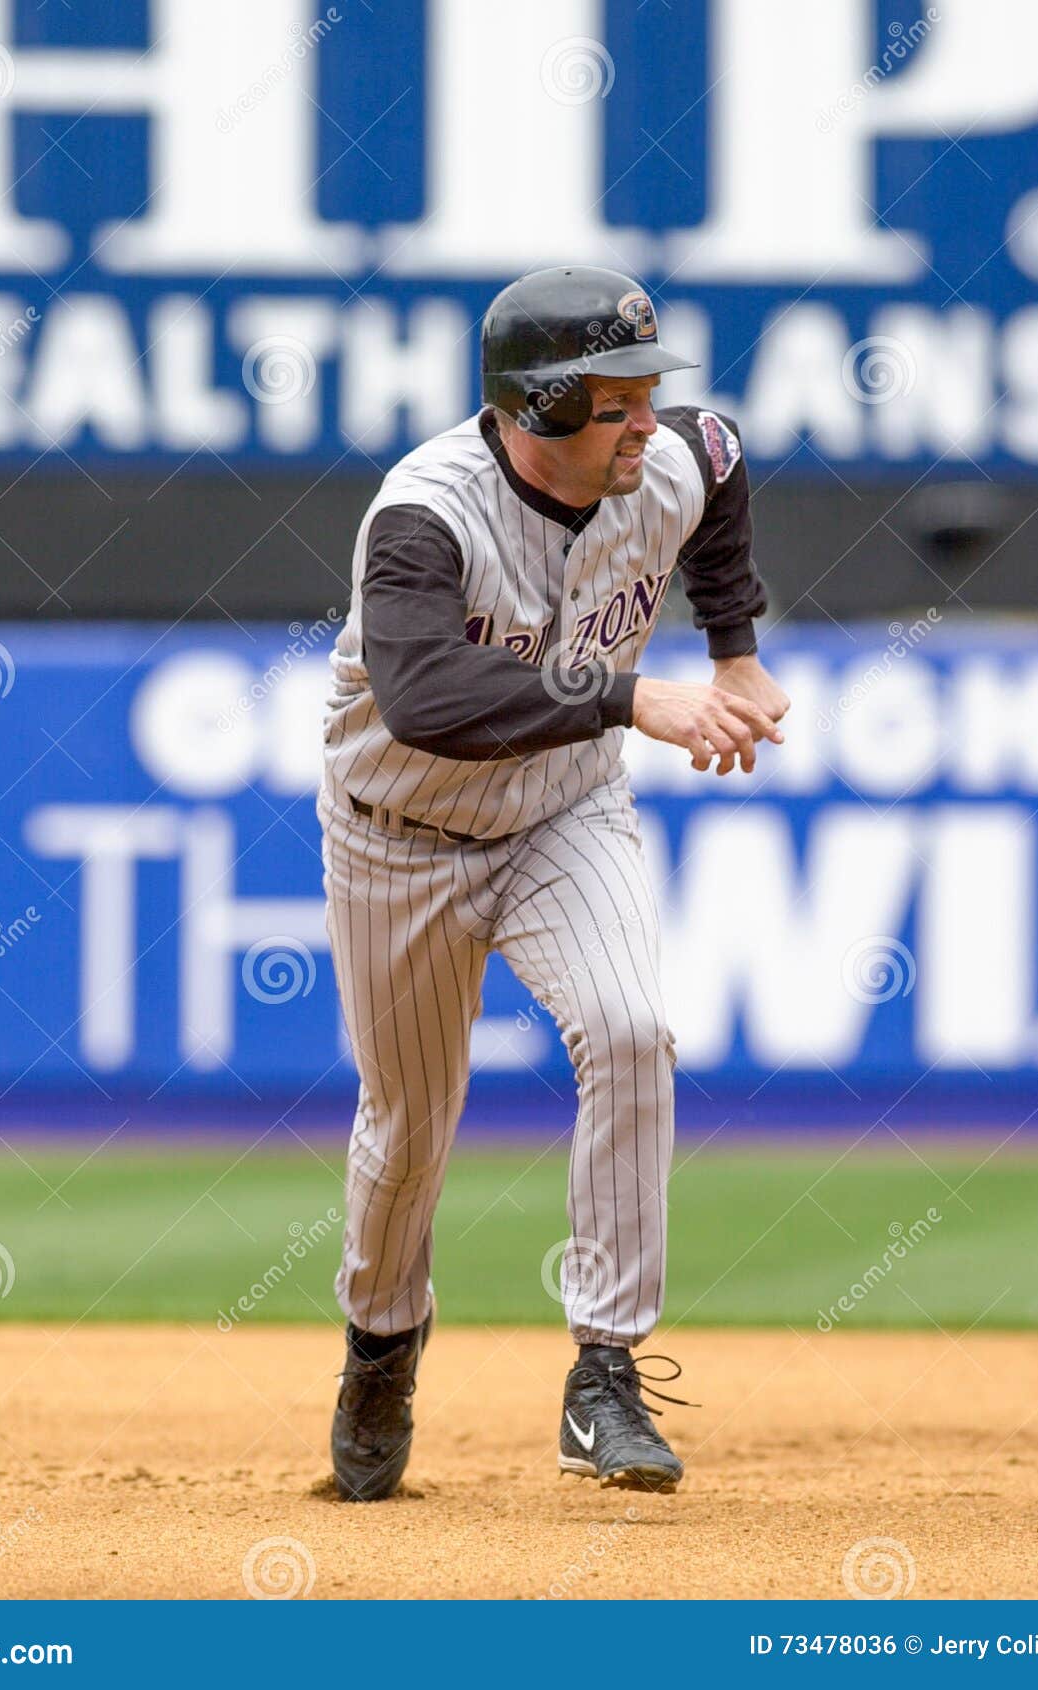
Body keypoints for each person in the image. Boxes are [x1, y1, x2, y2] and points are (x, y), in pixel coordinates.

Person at [317, 265, 789, 1501]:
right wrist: (640, 697)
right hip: (397, 833)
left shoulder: (667, 460)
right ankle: (378, 1343)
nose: (646, 419)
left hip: (564, 812)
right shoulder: (425, 516)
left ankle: (605, 1372)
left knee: (631, 1030)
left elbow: (721, 454)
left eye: (646, 392)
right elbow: (423, 701)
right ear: (535, 408)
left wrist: (732, 651)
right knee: (409, 1129)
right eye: (616, 399)